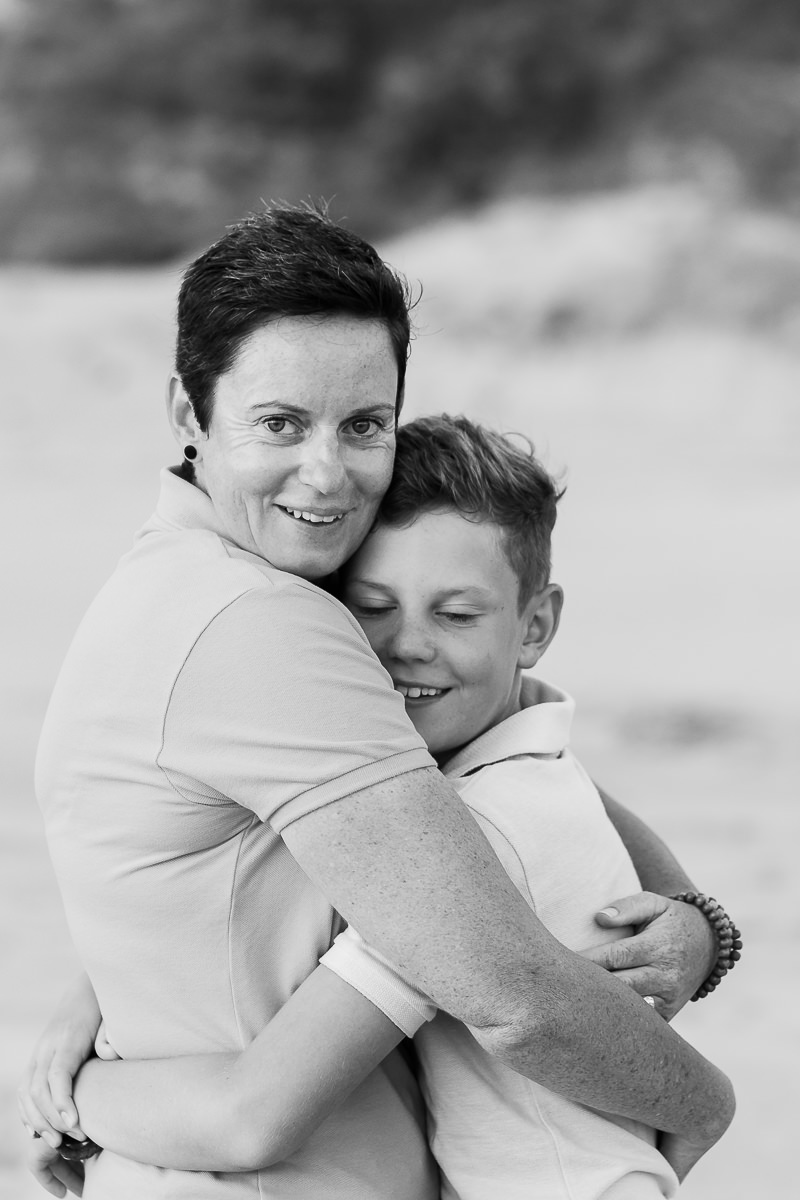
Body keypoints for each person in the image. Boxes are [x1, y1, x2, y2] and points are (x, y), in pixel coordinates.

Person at [22, 205, 735, 1199]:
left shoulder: (240, 575)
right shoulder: (262, 622)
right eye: (279, 422)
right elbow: (509, 994)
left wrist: (702, 924)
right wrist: (702, 1105)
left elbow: (509, 762)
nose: (326, 473)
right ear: (189, 415)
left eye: (363, 425)